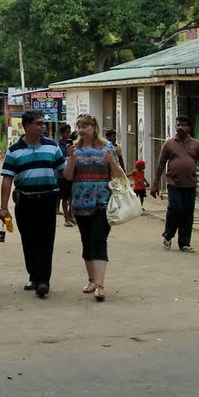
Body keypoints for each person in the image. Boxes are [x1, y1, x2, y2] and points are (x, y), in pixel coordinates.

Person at [0, 109, 66, 298]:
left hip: (47, 200)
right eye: (38, 123)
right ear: (26, 126)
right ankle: (34, 276)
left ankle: (44, 280)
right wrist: (3, 207)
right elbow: (7, 179)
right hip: (25, 201)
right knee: (28, 240)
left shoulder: (52, 147)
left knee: (46, 240)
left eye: (43, 124)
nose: (42, 127)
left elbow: (65, 171)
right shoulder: (14, 150)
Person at [64, 113, 127, 302]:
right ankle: (91, 280)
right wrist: (72, 158)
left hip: (103, 200)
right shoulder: (74, 149)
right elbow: (68, 176)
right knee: (86, 240)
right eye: (79, 126)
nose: (82, 130)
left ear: (94, 128)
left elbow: (119, 174)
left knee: (98, 239)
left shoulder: (107, 148)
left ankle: (100, 285)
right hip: (81, 200)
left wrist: (111, 161)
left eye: (86, 126)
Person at [152, 114, 199, 253]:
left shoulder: (196, 144)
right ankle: (168, 235)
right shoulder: (168, 144)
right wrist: (155, 184)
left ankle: (185, 243)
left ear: (189, 128)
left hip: (190, 184)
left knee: (187, 214)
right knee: (176, 208)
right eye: (178, 125)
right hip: (173, 183)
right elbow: (161, 164)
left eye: (183, 125)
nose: (180, 127)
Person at [57, 123, 76, 228]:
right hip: (61, 175)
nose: (68, 135)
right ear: (62, 134)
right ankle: (66, 218)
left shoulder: (74, 145)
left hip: (73, 174)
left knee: (73, 196)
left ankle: (71, 214)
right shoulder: (58, 146)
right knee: (64, 197)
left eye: (69, 132)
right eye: (66, 133)